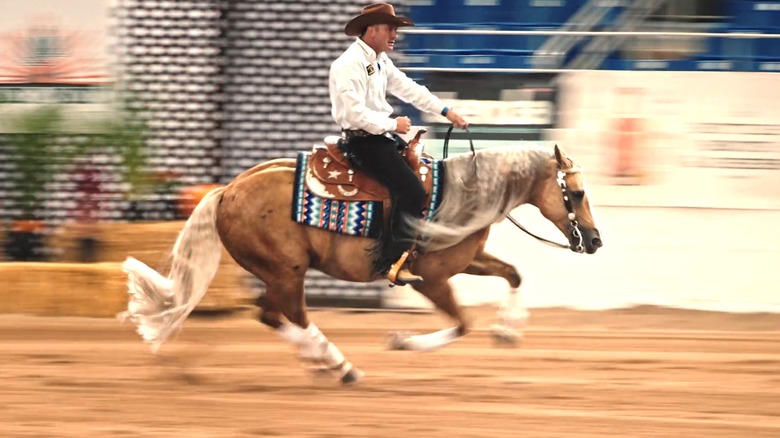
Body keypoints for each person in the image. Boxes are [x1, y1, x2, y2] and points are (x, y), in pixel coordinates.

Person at [329, 2, 468, 285]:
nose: (395, 35)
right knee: (413, 192)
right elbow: (355, 114)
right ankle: (390, 262)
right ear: (372, 29)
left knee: (423, 178)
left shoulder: (379, 60)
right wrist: (394, 125)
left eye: (395, 29)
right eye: (390, 29)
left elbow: (409, 88)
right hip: (363, 143)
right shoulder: (348, 64)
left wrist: (445, 111)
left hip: (379, 138)